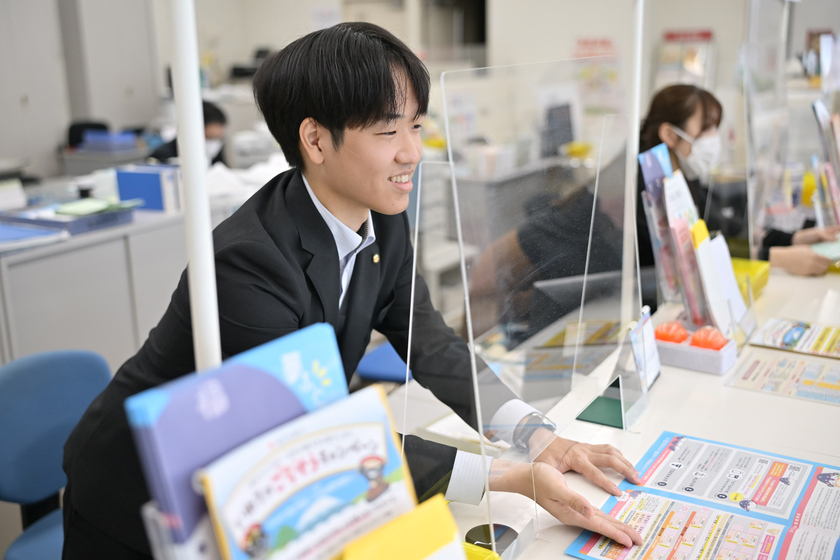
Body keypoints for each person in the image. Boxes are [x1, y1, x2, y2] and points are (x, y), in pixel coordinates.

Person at [62, 23, 641, 559]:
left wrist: (534, 435)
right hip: (143, 496)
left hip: (256, 484)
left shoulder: (382, 217)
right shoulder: (247, 263)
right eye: (388, 130)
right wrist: (505, 476)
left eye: (416, 126)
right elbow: (310, 434)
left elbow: (429, 341)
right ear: (315, 140)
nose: (412, 151)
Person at [637, 84, 840, 280]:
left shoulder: (684, 177)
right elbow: (693, 256)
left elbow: (722, 231)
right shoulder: (646, 192)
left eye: (715, 128)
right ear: (670, 135)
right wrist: (777, 258)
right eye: (706, 128)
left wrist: (793, 239)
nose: (713, 138)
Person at [150, 100, 228, 166]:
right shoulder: (162, 157)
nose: (214, 144)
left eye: (219, 138)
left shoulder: (215, 154)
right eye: (210, 137)